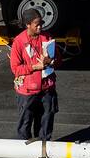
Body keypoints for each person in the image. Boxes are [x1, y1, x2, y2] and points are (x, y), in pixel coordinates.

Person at [9, 9, 58, 141]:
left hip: (47, 89)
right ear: (28, 25)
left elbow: (58, 59)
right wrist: (35, 67)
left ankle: (42, 150)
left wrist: (51, 61)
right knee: (25, 123)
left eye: (41, 23)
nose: (40, 26)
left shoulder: (47, 38)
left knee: (45, 123)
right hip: (27, 92)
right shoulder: (19, 42)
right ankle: (25, 150)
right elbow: (16, 69)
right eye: (36, 24)